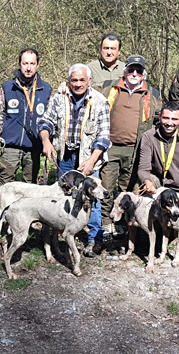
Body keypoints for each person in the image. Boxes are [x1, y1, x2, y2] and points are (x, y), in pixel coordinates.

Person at [38, 64, 111, 256]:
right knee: (63, 196)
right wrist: (46, 141)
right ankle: (60, 236)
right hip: (65, 157)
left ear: (89, 81)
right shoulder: (59, 98)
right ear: (68, 81)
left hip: (88, 156)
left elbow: (103, 137)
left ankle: (94, 240)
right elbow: (46, 121)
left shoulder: (100, 101)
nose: (78, 84)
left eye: (81, 80)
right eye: (74, 80)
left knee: (92, 198)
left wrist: (91, 161)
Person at [98, 54, 161, 237]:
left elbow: (164, 117)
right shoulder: (109, 87)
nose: (134, 73)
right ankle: (106, 222)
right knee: (107, 186)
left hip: (136, 148)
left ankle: (126, 223)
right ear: (125, 71)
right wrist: (65, 86)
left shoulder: (153, 94)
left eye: (138, 70)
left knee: (130, 188)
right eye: (131, 69)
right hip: (111, 146)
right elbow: (86, 90)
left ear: (144, 74)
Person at [0, 48, 52, 184]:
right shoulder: (7, 87)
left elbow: (50, 119)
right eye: (25, 64)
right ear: (19, 64)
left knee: (30, 185)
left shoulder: (46, 90)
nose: (28, 68)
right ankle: (1, 206)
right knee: (5, 182)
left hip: (34, 146)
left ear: (38, 65)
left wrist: (47, 141)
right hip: (10, 145)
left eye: (32, 64)